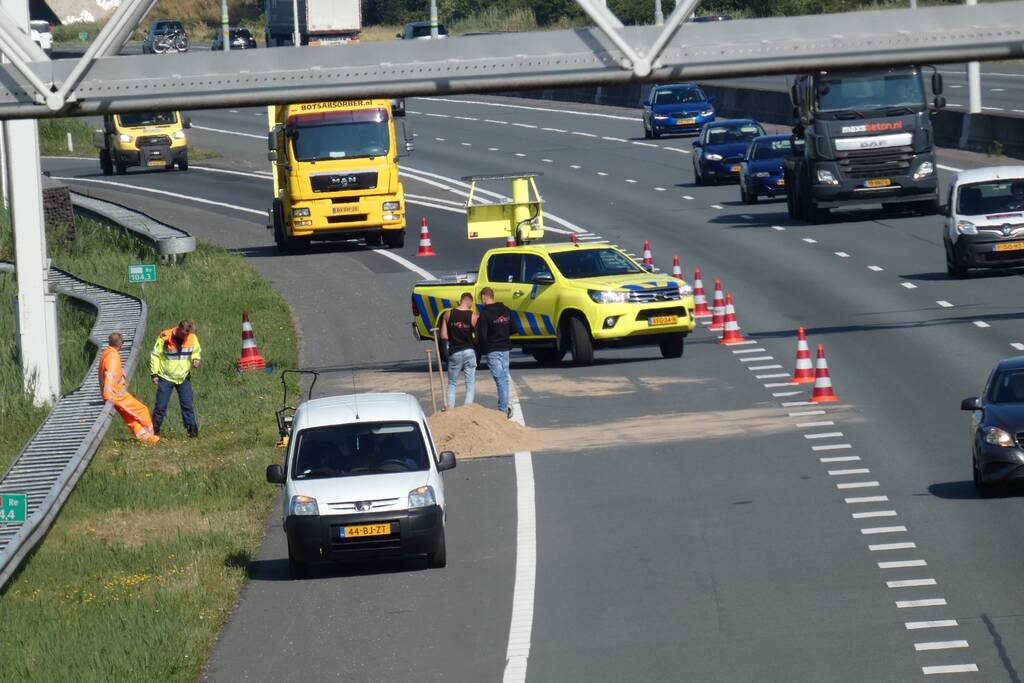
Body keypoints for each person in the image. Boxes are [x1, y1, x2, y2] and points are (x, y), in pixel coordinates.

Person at [100, 332, 159, 444]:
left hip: (114, 393)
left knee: (131, 418)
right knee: (142, 410)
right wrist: (108, 396)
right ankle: (151, 437)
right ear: (120, 344)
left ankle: (145, 438)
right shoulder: (113, 356)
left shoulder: (106, 352)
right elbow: (110, 374)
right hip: (116, 395)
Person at [150, 320, 202, 437]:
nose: (184, 337)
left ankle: (192, 431)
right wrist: (154, 374)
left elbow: (196, 352)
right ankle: (153, 431)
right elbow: (155, 355)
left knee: (187, 404)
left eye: (186, 335)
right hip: (166, 377)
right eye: (182, 334)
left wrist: (196, 359)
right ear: (178, 329)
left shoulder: (192, 338)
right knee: (161, 406)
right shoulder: (165, 337)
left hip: (183, 377)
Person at [477, 286, 513, 419]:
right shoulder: (506, 310)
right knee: (504, 378)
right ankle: (505, 405)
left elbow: (482, 335)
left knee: (500, 379)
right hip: (505, 348)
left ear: (484, 297)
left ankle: (503, 409)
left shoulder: (485, 314)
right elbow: (513, 328)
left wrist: (482, 349)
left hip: (493, 349)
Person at [440, 292, 478, 409]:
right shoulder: (473, 316)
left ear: (460, 301)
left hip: (454, 351)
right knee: (470, 382)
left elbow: (444, 336)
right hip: (469, 351)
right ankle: (467, 409)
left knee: (452, 383)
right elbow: (477, 337)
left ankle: (450, 409)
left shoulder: (448, 314)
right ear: (469, 302)